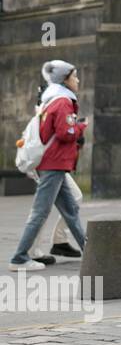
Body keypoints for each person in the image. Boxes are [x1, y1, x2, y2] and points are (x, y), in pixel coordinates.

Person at [8, 61, 89, 271]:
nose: (78, 80)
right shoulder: (63, 101)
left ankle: (90, 252)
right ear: (65, 80)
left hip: (55, 164)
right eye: (75, 76)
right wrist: (80, 127)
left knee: (70, 210)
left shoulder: (53, 100)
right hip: (53, 164)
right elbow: (65, 132)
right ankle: (19, 258)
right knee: (40, 212)